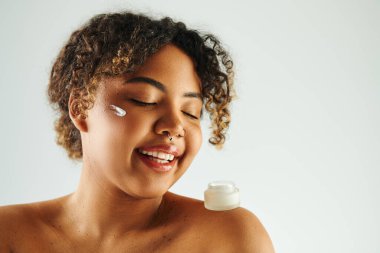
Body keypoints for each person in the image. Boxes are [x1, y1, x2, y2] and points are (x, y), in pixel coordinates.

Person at [0, 11, 275, 252]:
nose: (175, 126)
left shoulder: (229, 238)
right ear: (81, 109)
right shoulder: (8, 235)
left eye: (191, 112)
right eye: (145, 100)